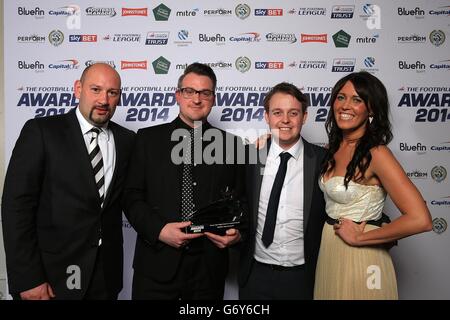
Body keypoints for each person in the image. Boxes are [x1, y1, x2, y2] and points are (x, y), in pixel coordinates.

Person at [1, 63, 136, 300]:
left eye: (112, 93)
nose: (104, 100)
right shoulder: (41, 132)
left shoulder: (127, 140)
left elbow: (133, 198)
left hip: (105, 278)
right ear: (78, 89)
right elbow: (16, 207)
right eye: (96, 89)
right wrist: (28, 278)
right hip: (52, 278)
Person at [122, 62, 244, 300]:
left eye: (205, 93)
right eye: (189, 91)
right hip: (156, 265)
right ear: (178, 95)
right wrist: (159, 230)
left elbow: (241, 202)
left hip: (208, 269)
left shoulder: (232, 146)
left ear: (214, 98)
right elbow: (131, 196)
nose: (197, 99)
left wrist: (238, 233)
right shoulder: (147, 139)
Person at [314, 71, 432, 300]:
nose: (345, 105)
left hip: (363, 260)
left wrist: (361, 238)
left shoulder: (377, 154)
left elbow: (421, 219)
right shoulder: (334, 149)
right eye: (341, 97)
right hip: (330, 249)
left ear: (371, 110)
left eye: (357, 100)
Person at [238, 82, 327, 300]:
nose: (285, 120)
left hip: (303, 277)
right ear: (267, 117)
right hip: (255, 275)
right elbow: (238, 206)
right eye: (277, 112)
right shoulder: (248, 157)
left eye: (293, 113)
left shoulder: (324, 160)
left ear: (304, 117)